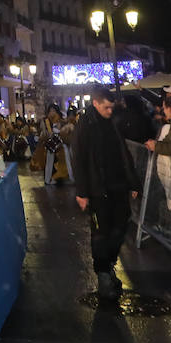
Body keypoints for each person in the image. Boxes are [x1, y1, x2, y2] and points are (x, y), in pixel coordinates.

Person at [71, 87, 140, 301]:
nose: (110, 111)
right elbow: (79, 158)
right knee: (101, 232)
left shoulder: (113, 122)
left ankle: (108, 266)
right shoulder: (85, 125)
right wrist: (82, 191)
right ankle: (103, 273)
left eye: (112, 107)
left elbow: (123, 153)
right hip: (98, 188)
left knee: (120, 227)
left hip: (118, 185)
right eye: (106, 107)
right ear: (96, 103)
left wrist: (132, 182)